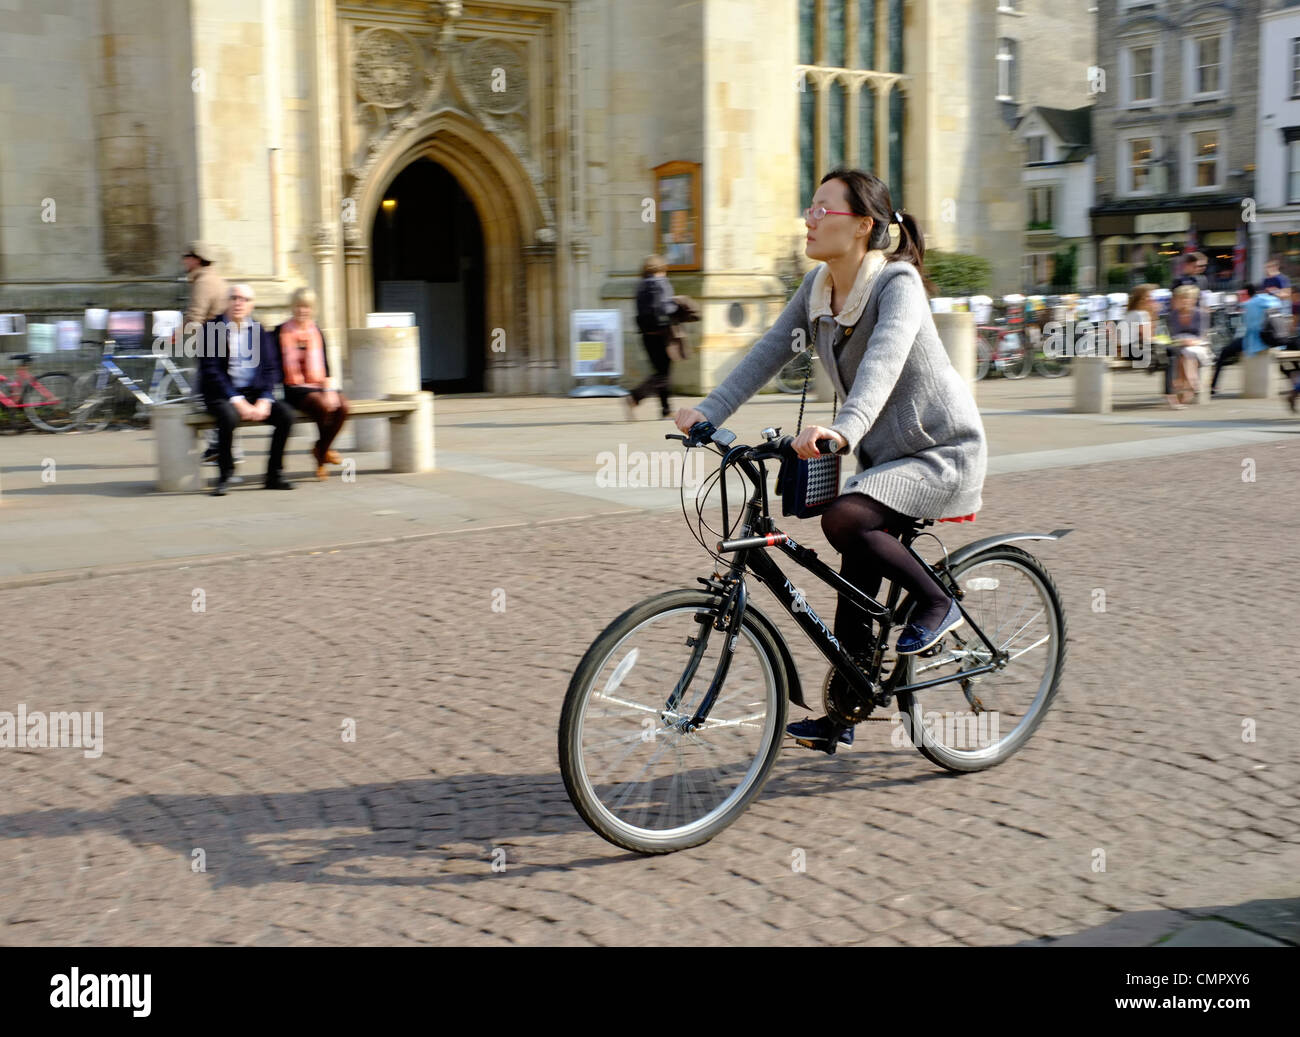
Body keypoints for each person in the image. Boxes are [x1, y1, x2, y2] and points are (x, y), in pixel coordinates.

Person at [674, 167, 987, 754]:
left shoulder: (897, 284)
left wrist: (843, 431)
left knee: (843, 519)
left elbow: (883, 364)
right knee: (854, 572)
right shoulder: (819, 289)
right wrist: (709, 411)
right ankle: (847, 706)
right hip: (884, 462)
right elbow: (769, 349)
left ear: (864, 224)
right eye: (810, 207)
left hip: (941, 453)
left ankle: (937, 601)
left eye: (824, 209)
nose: (810, 219)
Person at [199, 284, 294, 495]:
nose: (238, 303)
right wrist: (236, 399)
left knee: (286, 416)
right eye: (233, 298)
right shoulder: (211, 329)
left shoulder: (258, 330)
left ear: (251, 305)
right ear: (226, 302)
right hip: (221, 393)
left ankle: (274, 474)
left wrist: (265, 399)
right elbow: (211, 371)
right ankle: (225, 474)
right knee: (229, 417)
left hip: (254, 392)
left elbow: (270, 369)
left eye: (243, 299)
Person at [276, 288, 349, 480]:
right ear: (293, 307)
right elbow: (274, 366)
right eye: (299, 306)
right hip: (294, 389)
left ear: (312, 309)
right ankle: (321, 460)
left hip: (318, 384)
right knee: (322, 405)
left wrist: (330, 389)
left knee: (343, 407)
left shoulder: (317, 332)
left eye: (306, 307)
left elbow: (326, 367)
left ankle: (321, 449)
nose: (302, 311)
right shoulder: (280, 331)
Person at [181, 241, 237, 467]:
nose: (183, 261)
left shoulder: (203, 282)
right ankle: (223, 447)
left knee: (200, 396)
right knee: (219, 396)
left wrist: (176, 336)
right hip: (222, 344)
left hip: (212, 346)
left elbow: (195, 316)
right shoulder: (215, 279)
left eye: (186, 256)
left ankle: (220, 447)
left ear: (196, 258)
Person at [627, 255, 679, 418]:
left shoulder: (640, 285)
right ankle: (635, 396)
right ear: (660, 269)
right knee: (662, 374)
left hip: (646, 335)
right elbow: (666, 308)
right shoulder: (661, 283)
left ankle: (665, 409)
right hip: (662, 333)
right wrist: (676, 305)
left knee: (660, 372)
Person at [1164, 285, 1207, 408]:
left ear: (1193, 299)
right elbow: (1173, 335)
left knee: (1185, 353)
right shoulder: (1173, 315)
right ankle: (1191, 383)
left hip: (1197, 344)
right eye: (1182, 298)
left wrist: (1191, 341)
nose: (1184, 301)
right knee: (1182, 353)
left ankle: (1185, 384)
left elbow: (1202, 335)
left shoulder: (1200, 314)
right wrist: (1183, 341)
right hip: (1180, 343)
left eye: (1187, 298)